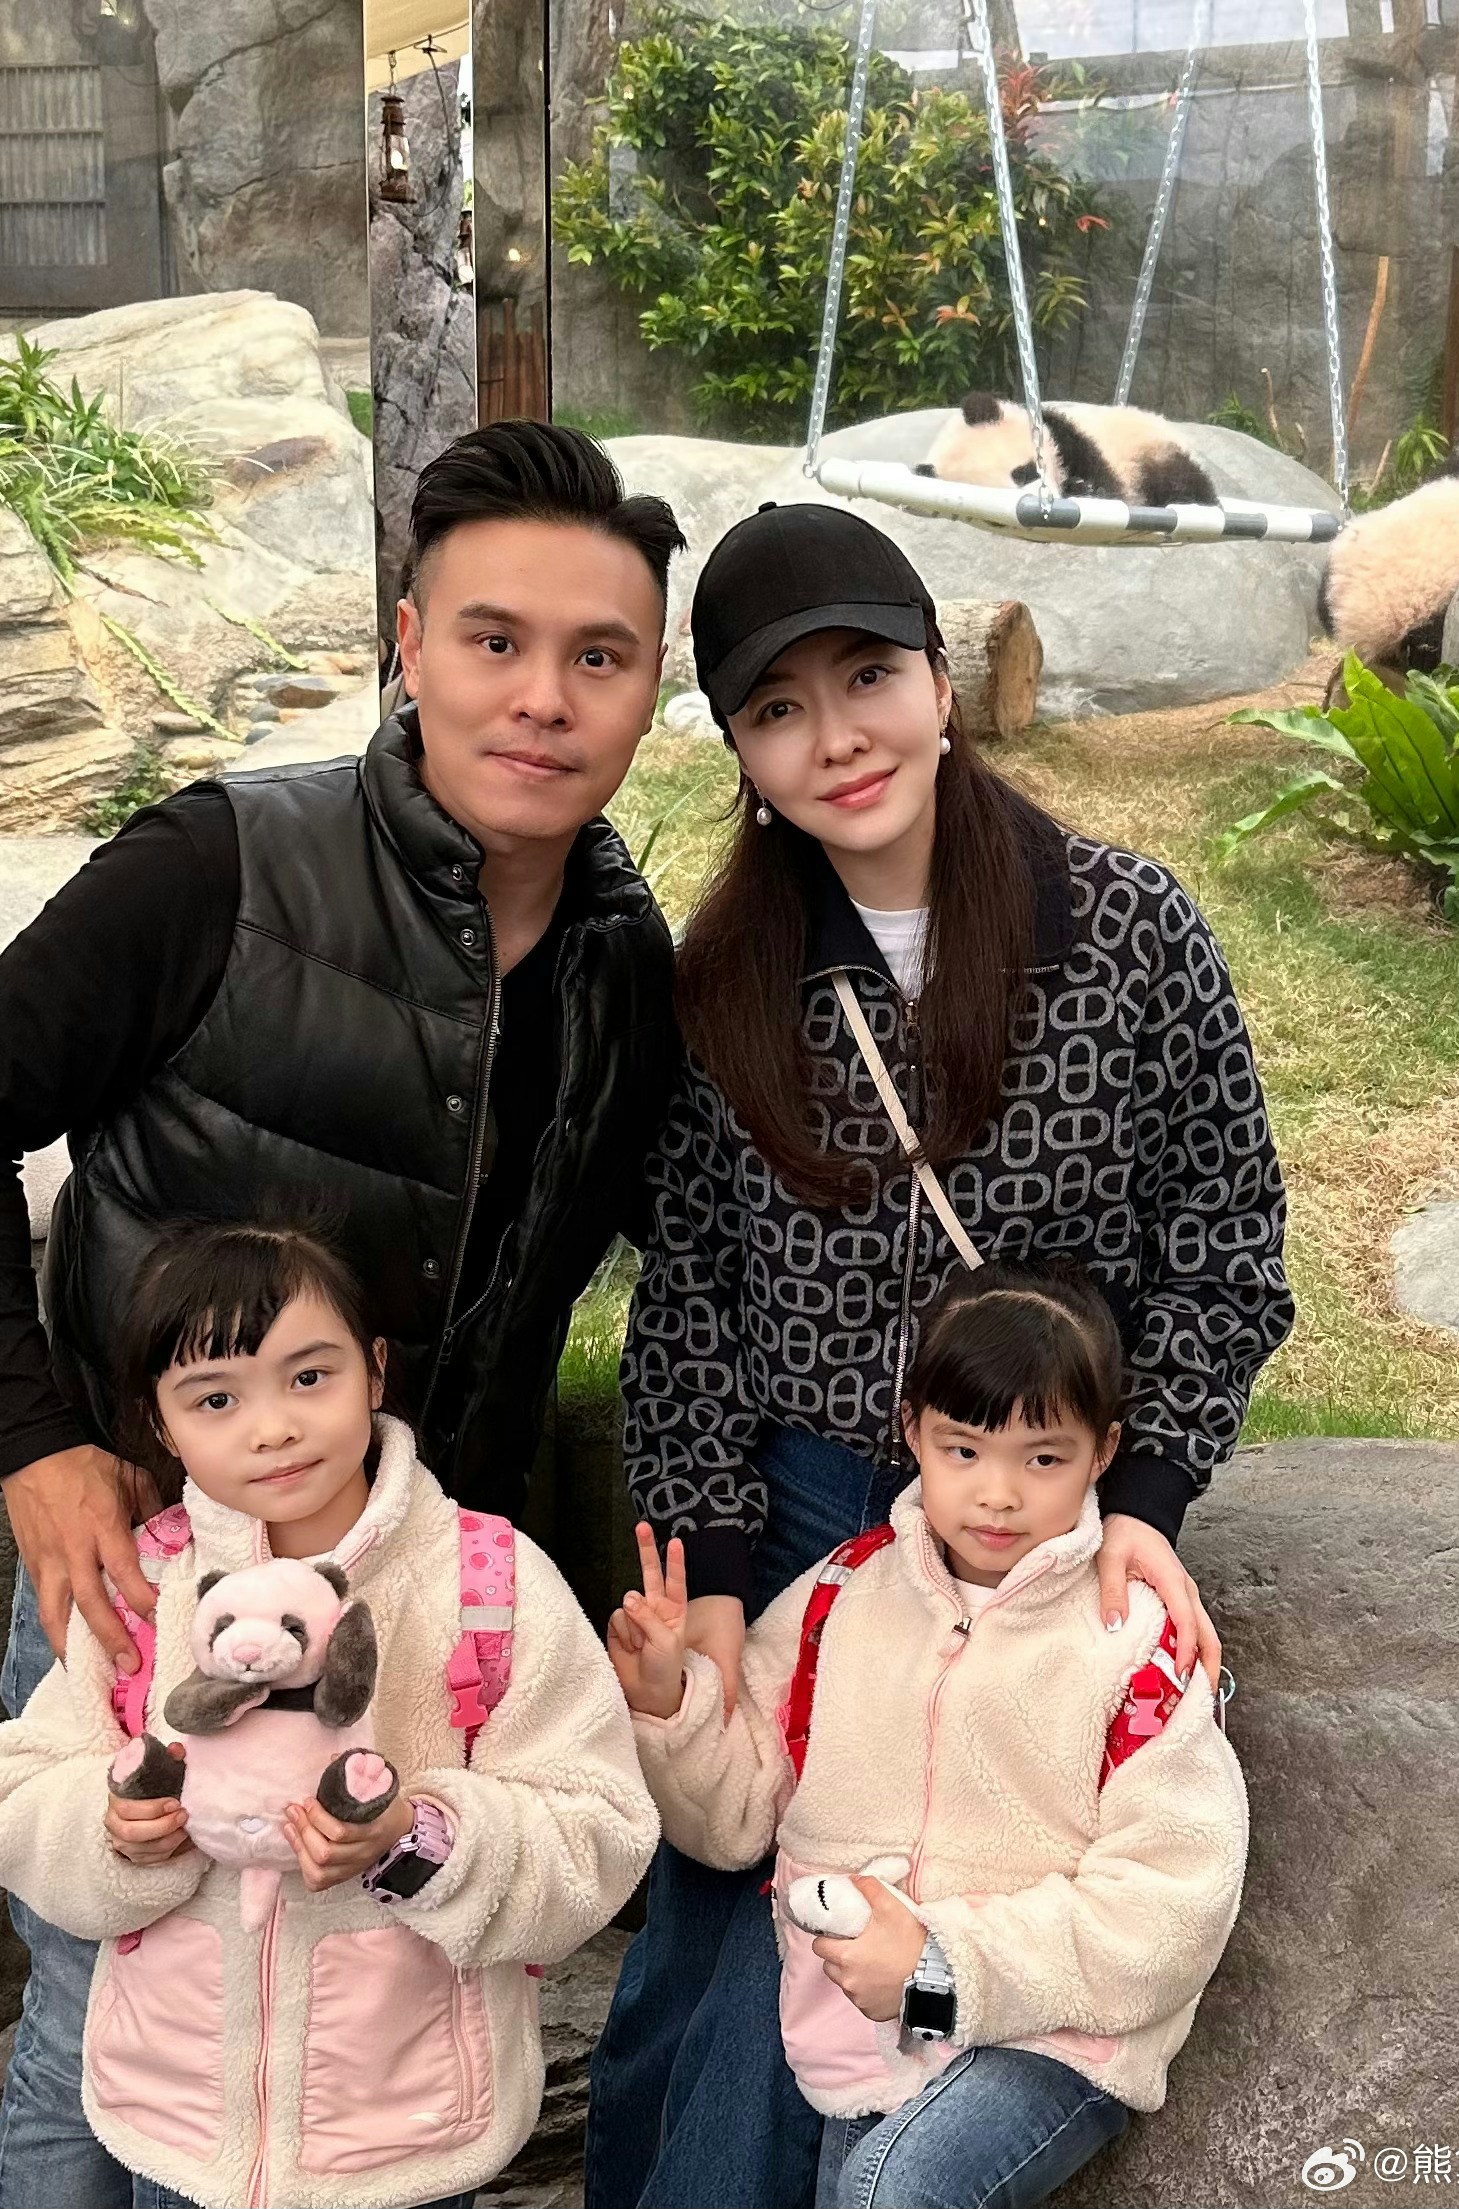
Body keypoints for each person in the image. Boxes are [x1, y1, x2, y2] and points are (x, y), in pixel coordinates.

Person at [0, 422, 683, 2206]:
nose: (541, 698)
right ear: (408, 643)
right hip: (148, 1570)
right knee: (95, 2029)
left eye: (599, 656)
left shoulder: (624, 967)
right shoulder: (221, 865)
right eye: (494, 639)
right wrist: (35, 1444)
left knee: (373, 2063)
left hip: (425, 1601)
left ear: (650, 689)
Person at [586, 502, 1291, 2209]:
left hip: (1035, 1494)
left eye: (867, 676)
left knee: (936, 1891)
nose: (836, 737)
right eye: (777, 708)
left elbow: (1225, 1231)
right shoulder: (727, 980)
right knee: (714, 1941)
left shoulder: (1122, 926)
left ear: (939, 679)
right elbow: (689, 1301)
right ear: (740, 753)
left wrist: (1146, 1494)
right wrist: (712, 1574)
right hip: (805, 1504)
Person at [0, 1220, 660, 2209]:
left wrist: (420, 1841)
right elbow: (23, 1788)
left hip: (404, 2136)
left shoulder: (486, 1581)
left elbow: (600, 1825)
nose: (272, 1427)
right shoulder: (147, 1586)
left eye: (309, 1376)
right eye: (215, 1398)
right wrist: (113, 1830)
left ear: (376, 1368)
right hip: (183, 2132)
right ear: (160, 1423)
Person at [609, 1261, 1247, 2209]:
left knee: (890, 2186)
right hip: (855, 2019)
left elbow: (1173, 1902)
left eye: (1042, 1458)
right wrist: (671, 1706)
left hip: (1050, 2029)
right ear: (911, 1431)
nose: (998, 1494)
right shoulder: (839, 1595)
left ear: (1104, 1450)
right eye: (963, 1449)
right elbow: (736, 1820)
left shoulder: (1136, 1642)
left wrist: (941, 1962)